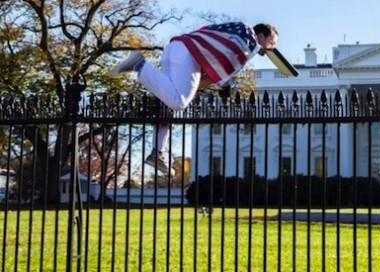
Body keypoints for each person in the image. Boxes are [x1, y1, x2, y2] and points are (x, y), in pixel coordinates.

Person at [112, 22, 278, 174]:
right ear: (261, 36)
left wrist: (217, 84)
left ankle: (158, 151)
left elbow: (205, 79)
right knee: (179, 102)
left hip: (175, 48)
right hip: (188, 54)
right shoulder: (248, 42)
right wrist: (225, 84)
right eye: (271, 43)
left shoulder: (233, 33)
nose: (271, 48)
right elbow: (219, 74)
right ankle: (140, 64)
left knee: (169, 100)